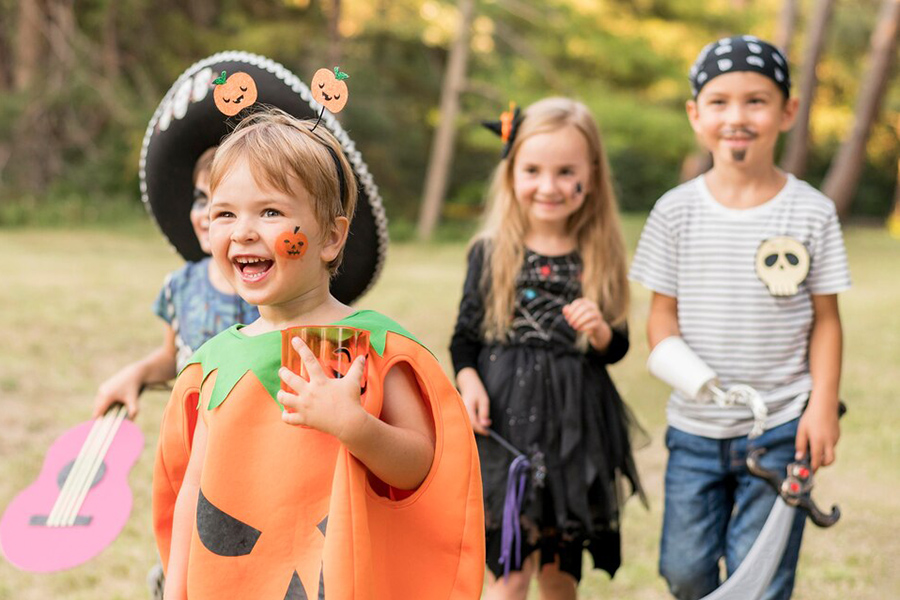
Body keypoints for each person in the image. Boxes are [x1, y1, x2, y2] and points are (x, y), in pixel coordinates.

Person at [153, 108, 484, 600]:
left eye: (270, 212)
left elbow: (421, 467)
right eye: (225, 213)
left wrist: (355, 426)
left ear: (331, 236)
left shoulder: (368, 347)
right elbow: (195, 496)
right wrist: (177, 590)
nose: (243, 231)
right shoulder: (214, 363)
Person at [629, 35, 851, 600]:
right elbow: (661, 320)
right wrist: (694, 375)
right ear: (695, 114)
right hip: (696, 429)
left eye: (756, 101)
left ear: (788, 112)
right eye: (720, 101)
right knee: (685, 571)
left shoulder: (811, 211)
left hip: (782, 428)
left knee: (763, 576)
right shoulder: (674, 211)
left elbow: (826, 319)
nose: (738, 116)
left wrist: (822, 403)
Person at [450, 97, 645, 599]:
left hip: (574, 429)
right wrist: (467, 381)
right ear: (512, 171)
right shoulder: (491, 251)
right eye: (533, 170)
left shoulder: (599, 252)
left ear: (592, 175)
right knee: (510, 569)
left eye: (565, 172)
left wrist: (600, 330)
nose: (549, 186)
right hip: (506, 425)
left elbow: (616, 347)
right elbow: (465, 339)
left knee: (560, 574)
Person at [93, 147, 258, 419]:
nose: (207, 214)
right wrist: (137, 373)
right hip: (191, 436)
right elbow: (174, 357)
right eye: (201, 199)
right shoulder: (180, 286)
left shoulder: (272, 288)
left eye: (224, 206)